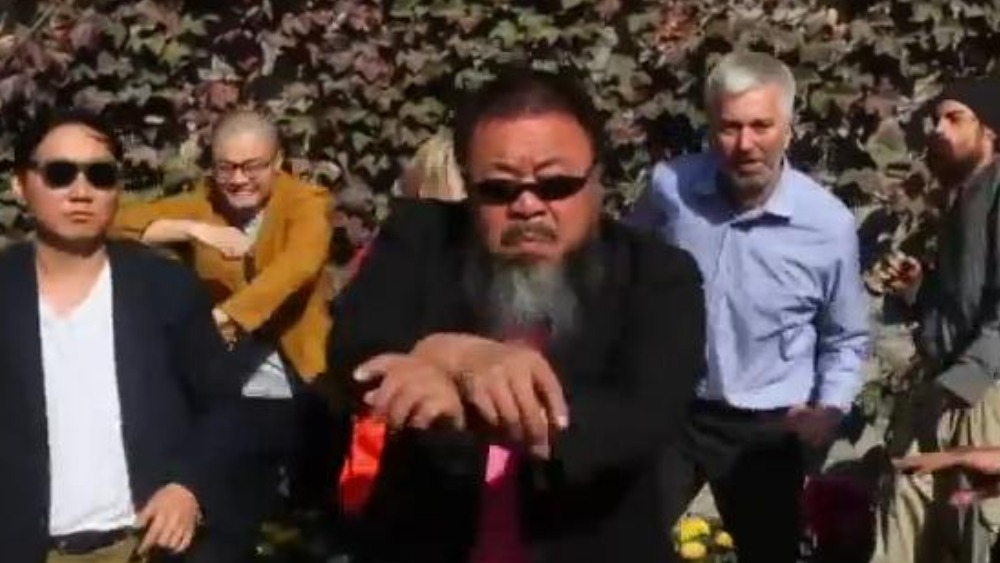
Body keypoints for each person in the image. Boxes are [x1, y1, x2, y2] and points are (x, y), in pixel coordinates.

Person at [328, 65, 705, 563]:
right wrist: (457, 353)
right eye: (499, 189)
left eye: (555, 185)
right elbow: (355, 344)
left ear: (596, 180)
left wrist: (466, 393)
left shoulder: (655, 274)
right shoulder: (422, 237)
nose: (528, 206)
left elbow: (639, 417)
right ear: (469, 186)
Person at [628, 50, 869, 563]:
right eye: (730, 127)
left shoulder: (826, 226)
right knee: (622, 542)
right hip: (677, 410)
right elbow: (621, 269)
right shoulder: (671, 190)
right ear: (710, 127)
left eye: (761, 126)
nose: (745, 144)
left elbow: (846, 336)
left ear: (788, 130)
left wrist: (828, 408)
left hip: (766, 430)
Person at [0, 110, 255, 563]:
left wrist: (188, 486)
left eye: (99, 175)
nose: (81, 192)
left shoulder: (164, 288)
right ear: (21, 185)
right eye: (59, 174)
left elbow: (224, 405)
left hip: (142, 545)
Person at [111, 110, 341, 556]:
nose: (237, 180)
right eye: (225, 167)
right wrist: (191, 229)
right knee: (227, 482)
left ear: (278, 162)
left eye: (252, 167)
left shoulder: (306, 202)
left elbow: (297, 268)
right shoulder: (206, 202)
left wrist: (226, 319)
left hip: (297, 377)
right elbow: (111, 222)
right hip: (226, 380)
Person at [873, 76, 1000, 563]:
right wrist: (917, 288)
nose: (938, 129)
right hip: (943, 387)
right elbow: (960, 307)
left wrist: (964, 382)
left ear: (990, 130)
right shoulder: (960, 199)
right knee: (906, 502)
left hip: (982, 397)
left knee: (974, 520)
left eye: (954, 118)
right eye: (935, 119)